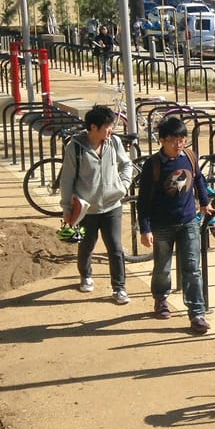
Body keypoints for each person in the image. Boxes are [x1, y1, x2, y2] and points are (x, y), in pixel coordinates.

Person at [136, 116, 215, 334]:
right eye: (173, 140)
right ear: (161, 140)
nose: (178, 144)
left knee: (192, 268)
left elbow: (198, 179)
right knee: (162, 267)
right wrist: (145, 228)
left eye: (182, 139)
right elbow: (142, 201)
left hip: (188, 221)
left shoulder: (189, 157)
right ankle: (161, 298)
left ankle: (197, 313)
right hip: (161, 224)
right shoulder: (153, 165)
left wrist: (205, 203)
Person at [59, 104, 134, 304]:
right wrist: (67, 208)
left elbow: (127, 164)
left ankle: (119, 288)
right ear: (93, 127)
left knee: (115, 248)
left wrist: (124, 184)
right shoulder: (75, 147)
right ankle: (86, 275)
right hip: (86, 209)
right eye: (107, 126)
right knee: (86, 245)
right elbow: (66, 180)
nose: (111, 130)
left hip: (112, 205)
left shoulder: (114, 142)